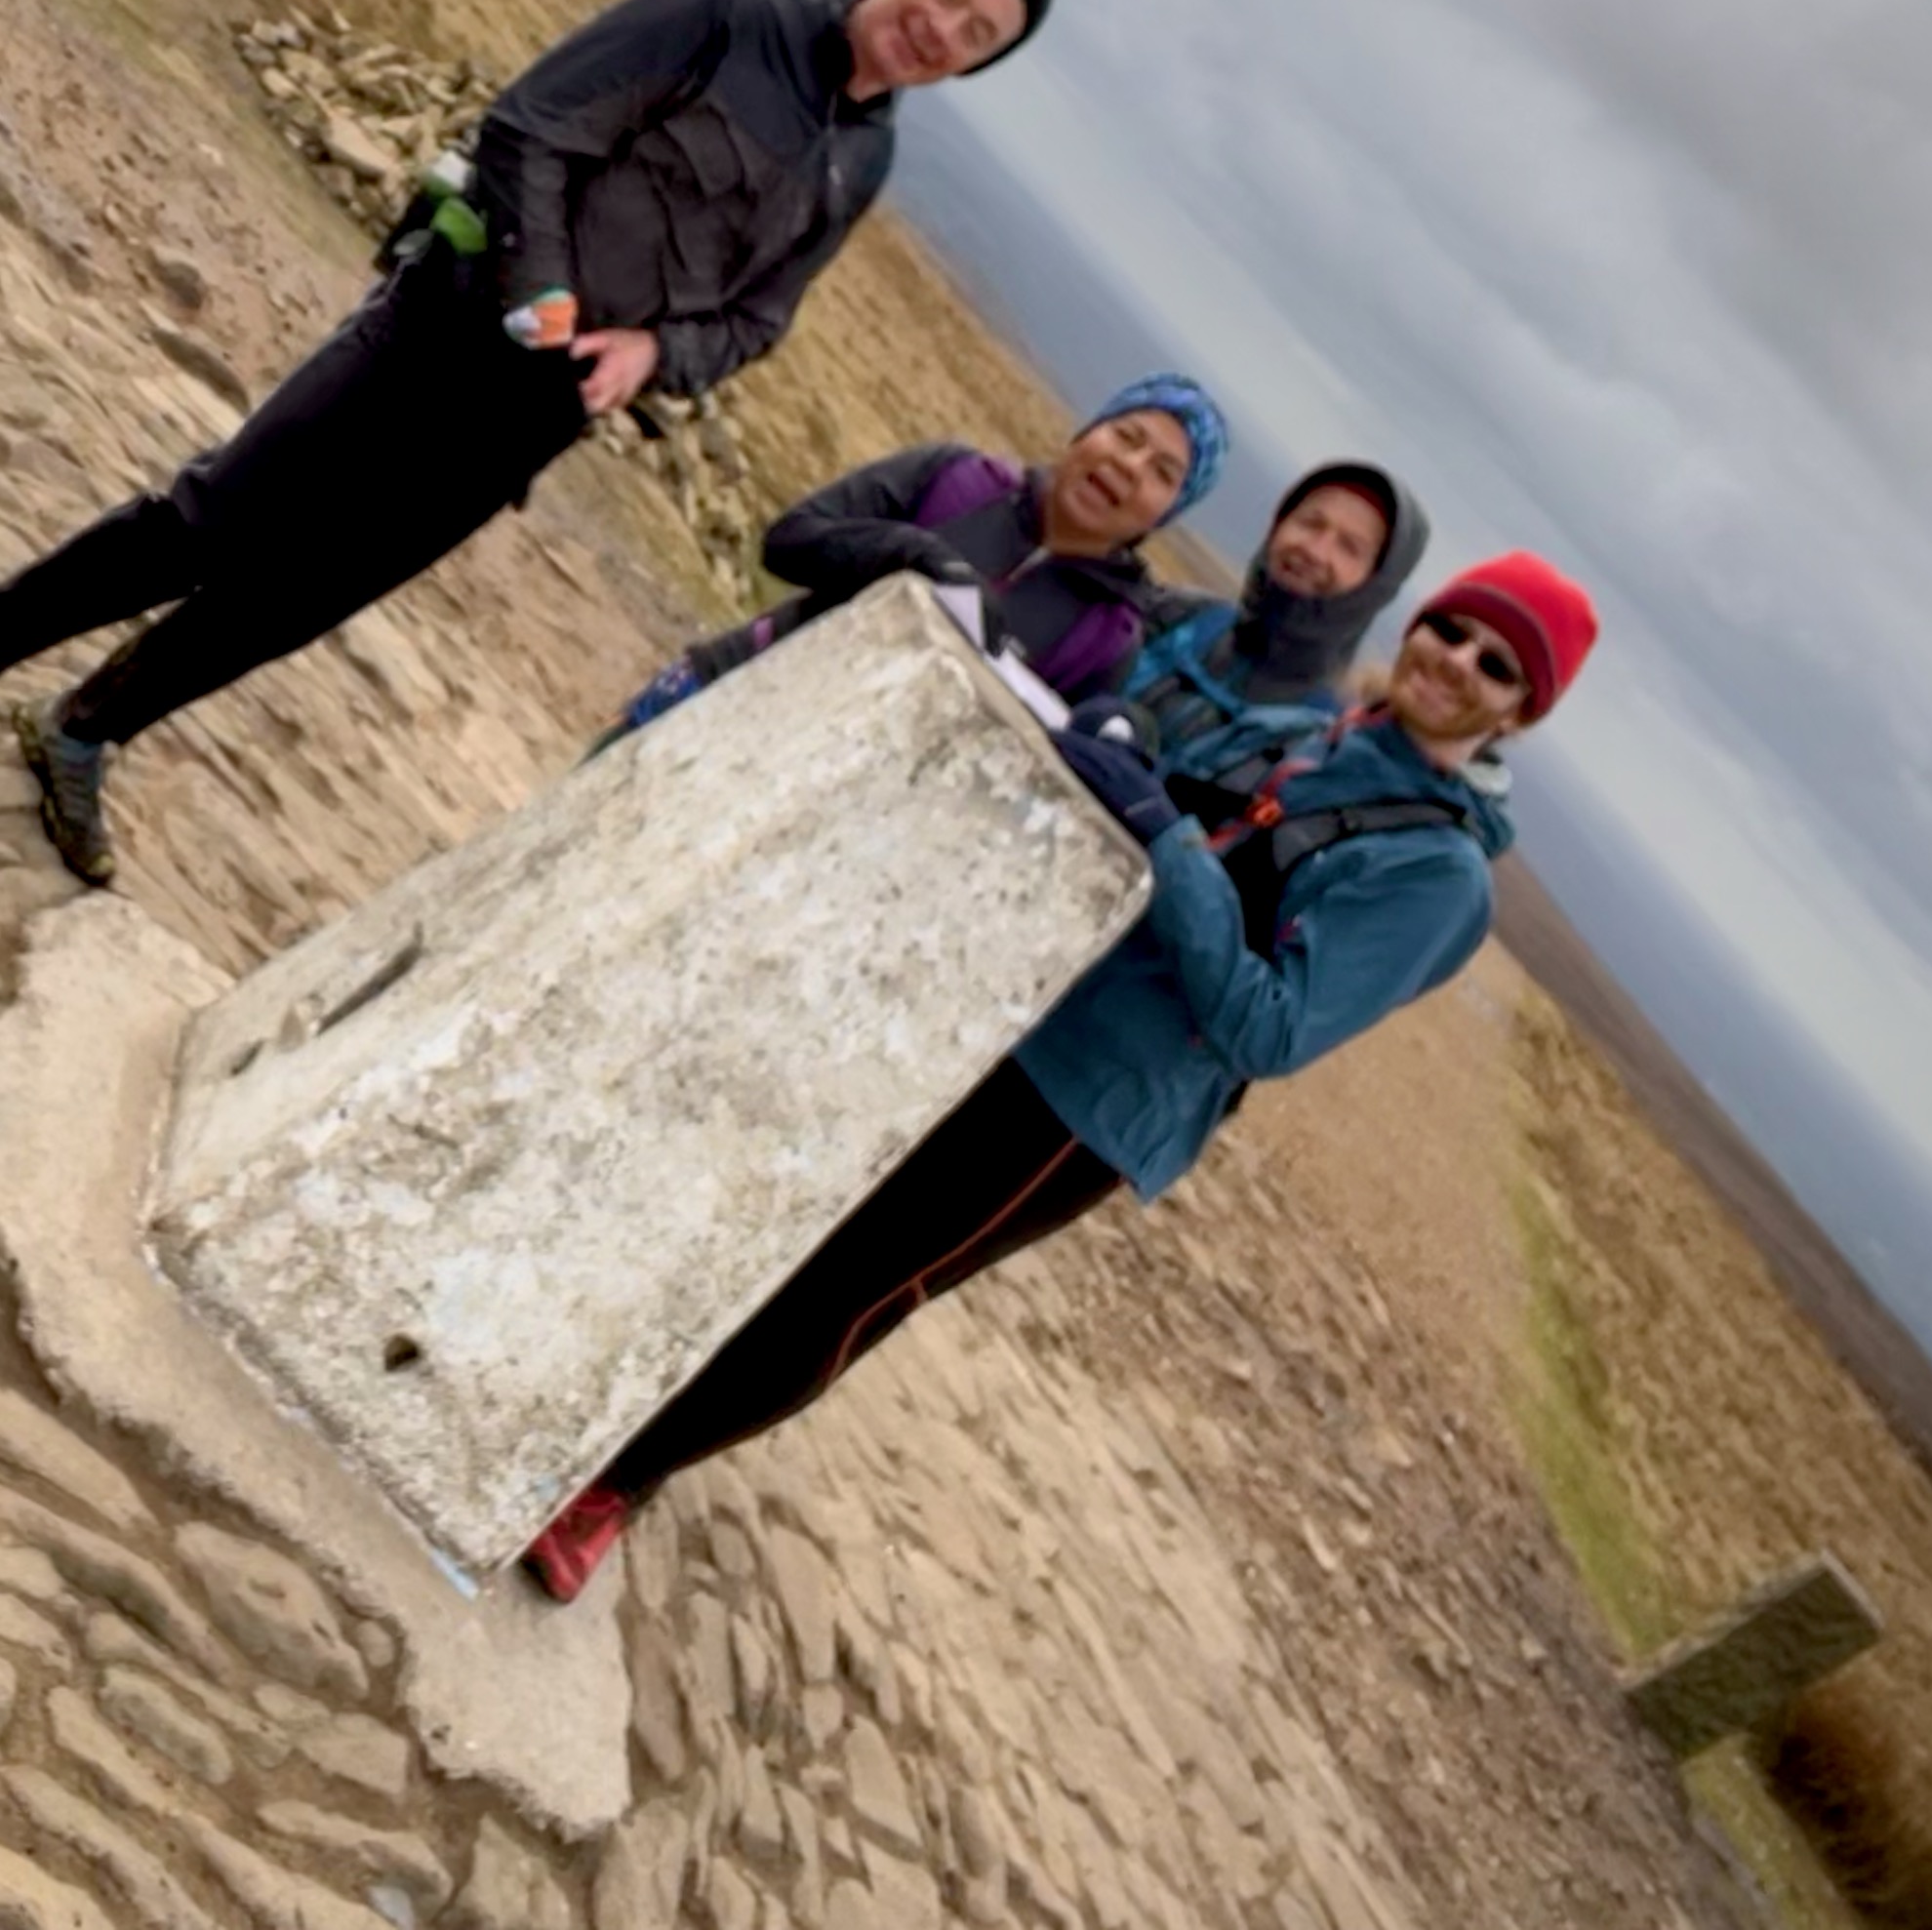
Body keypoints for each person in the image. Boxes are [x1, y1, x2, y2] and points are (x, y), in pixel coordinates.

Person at [0, 0, 1057, 880]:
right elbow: (531, 126)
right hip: (449, 322)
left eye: (979, 33)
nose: (943, 27)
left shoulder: (865, 156)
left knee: (300, 594)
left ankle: (86, 731)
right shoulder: (726, 11)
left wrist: (654, 356)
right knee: (214, 522)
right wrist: (545, 294)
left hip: (538, 415)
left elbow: (763, 315)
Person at [525, 550, 1599, 1601]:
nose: (1457, 661)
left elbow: (1269, 1029)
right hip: (1012, 992)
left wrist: (1166, 835)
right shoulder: (1317, 736)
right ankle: (613, 1397)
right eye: (1453, 628)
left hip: (1078, 1102)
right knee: (791, 1205)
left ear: (1522, 716)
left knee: (848, 1289)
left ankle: (614, 1485)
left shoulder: (1439, 875)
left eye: (1498, 667)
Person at [603, 373, 1228, 739]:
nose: (1129, 464)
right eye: (1127, 435)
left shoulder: (1108, 637)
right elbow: (790, 540)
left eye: (1162, 472)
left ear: (1163, 515)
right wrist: (916, 555)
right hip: (721, 693)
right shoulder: (954, 476)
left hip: (809, 811)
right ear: (1087, 433)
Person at [1119, 461, 1429, 755]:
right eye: (1310, 523)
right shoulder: (1174, 614)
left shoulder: (1327, 743)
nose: (1315, 550)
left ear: (1377, 586)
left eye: (1349, 547)